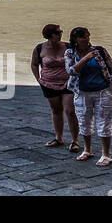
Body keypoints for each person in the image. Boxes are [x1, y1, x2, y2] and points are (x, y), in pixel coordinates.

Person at [64, 27, 112, 166]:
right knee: (83, 121)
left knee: (104, 123)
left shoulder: (99, 51)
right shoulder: (70, 53)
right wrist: (85, 59)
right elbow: (71, 71)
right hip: (81, 92)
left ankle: (106, 154)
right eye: (83, 37)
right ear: (76, 39)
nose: (87, 39)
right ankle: (87, 150)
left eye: (88, 36)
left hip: (103, 91)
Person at [31, 24, 80, 152]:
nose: (61, 34)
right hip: (48, 83)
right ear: (50, 35)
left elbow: (78, 61)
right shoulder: (40, 48)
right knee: (56, 110)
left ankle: (75, 141)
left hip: (68, 82)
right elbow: (34, 64)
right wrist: (38, 79)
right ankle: (59, 137)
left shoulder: (68, 47)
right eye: (58, 32)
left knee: (70, 110)